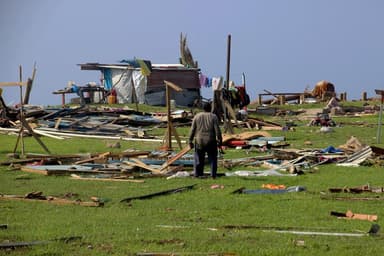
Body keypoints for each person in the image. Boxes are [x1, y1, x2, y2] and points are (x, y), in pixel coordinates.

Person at [188, 102, 222, 178]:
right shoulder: (213, 117)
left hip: (199, 141)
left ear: (203, 108)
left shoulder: (197, 116)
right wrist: (220, 140)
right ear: (210, 108)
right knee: (212, 159)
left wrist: (190, 140)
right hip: (211, 140)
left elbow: (192, 129)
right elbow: (217, 130)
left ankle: (198, 174)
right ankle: (213, 175)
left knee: (199, 159)